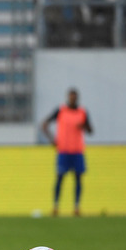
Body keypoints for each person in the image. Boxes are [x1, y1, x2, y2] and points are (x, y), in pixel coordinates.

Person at [41, 88, 93, 217]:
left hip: (77, 151)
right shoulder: (61, 110)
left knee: (78, 179)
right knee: (60, 178)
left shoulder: (82, 112)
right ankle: (55, 206)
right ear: (67, 97)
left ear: (77, 98)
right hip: (63, 150)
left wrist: (83, 126)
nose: (72, 99)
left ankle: (76, 207)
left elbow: (90, 130)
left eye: (74, 97)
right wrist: (52, 139)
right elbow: (44, 124)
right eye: (71, 96)